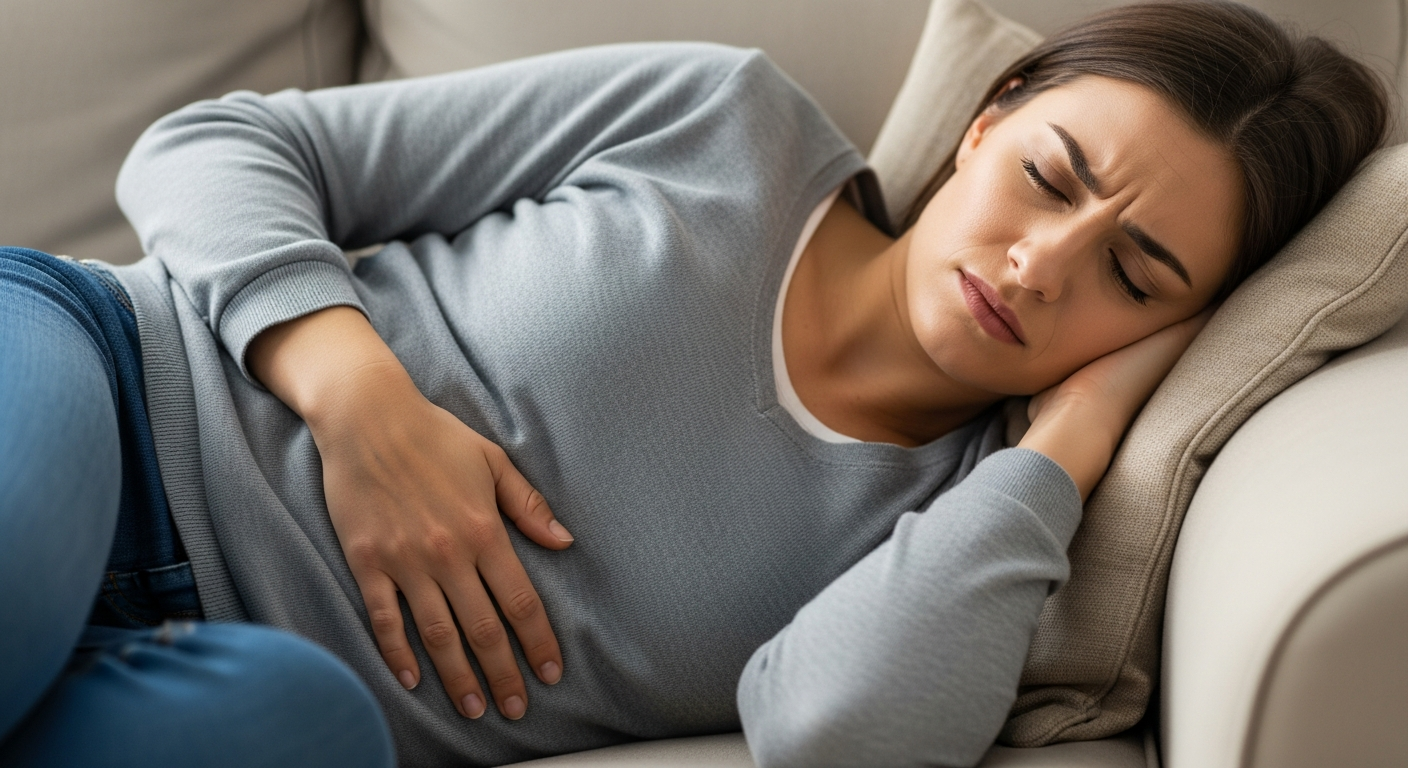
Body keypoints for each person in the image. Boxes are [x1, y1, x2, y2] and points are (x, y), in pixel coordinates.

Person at [0, 1, 1388, 766]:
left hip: (205, 664)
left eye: (1135, 278)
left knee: (301, 740)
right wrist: (361, 402)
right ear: (989, 121)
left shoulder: (963, 538)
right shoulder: (723, 126)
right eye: (1050, 177)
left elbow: (836, 739)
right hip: (103, 381)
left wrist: (1072, 442)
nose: (1039, 268)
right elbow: (214, 147)